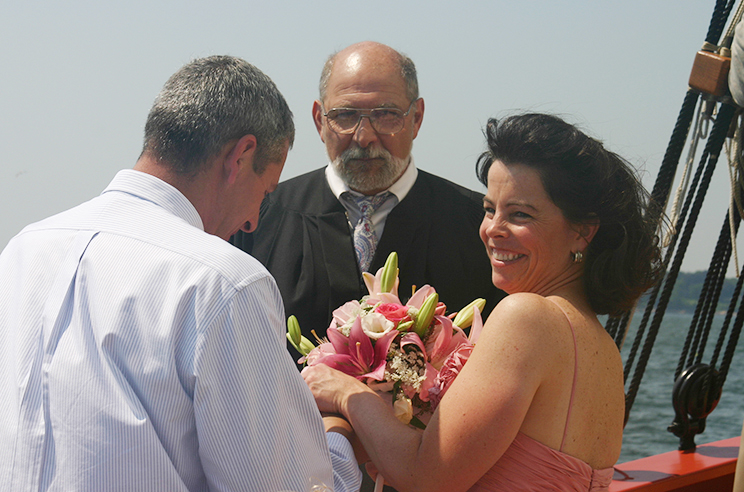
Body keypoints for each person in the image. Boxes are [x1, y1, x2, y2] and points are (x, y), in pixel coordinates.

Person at [0, 55, 361, 492]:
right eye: (264, 194)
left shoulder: (23, 250)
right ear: (241, 156)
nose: (252, 222)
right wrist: (340, 431)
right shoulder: (223, 281)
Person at [303, 113, 664, 491]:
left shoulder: (527, 316)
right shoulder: (602, 347)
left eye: (520, 214)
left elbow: (425, 475)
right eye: (490, 209)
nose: (492, 229)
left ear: (581, 232)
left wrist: (348, 393)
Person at [230, 41, 505, 360]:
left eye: (386, 115)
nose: (364, 137)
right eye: (344, 116)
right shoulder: (257, 218)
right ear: (319, 120)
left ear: (416, 118)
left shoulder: (479, 226)